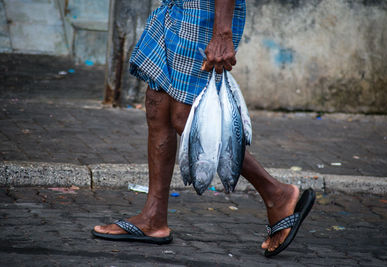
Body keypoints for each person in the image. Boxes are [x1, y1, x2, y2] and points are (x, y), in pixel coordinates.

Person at [92, 0, 315, 257]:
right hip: (177, 8)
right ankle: (153, 219)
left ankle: (277, 193)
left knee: (186, 118)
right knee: (157, 106)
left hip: (205, 13)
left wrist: (222, 33)